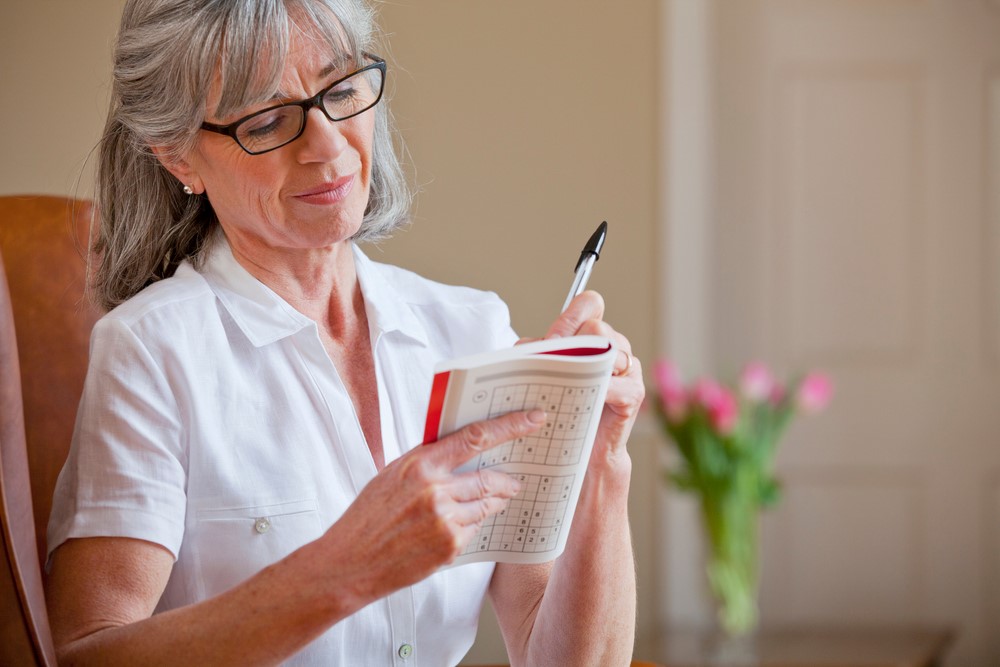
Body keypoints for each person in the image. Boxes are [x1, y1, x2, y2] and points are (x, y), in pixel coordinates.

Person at [45, 0, 643, 665]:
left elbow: (558, 655)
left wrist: (601, 465)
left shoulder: (472, 328)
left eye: (341, 90)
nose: (328, 144)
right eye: (268, 120)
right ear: (178, 157)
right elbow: (87, 655)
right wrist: (347, 567)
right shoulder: (151, 352)